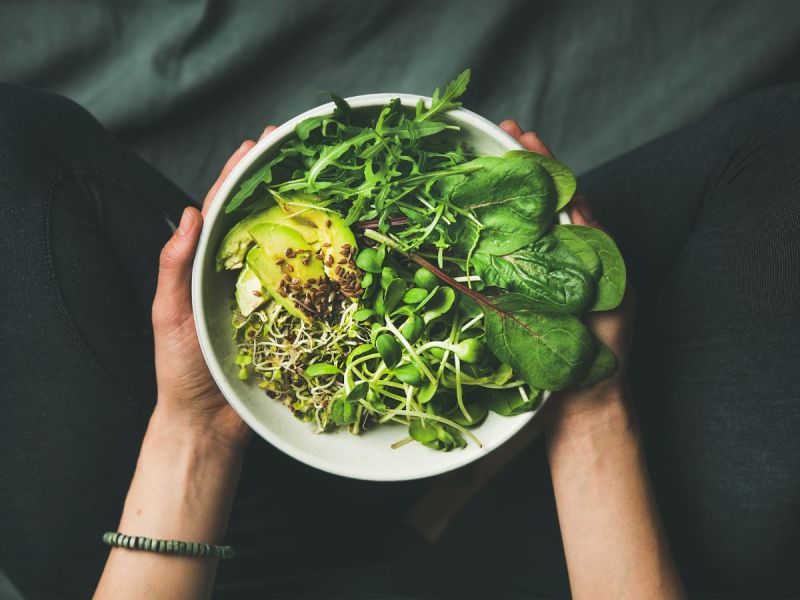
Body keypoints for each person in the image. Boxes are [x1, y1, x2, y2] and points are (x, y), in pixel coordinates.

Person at [0, 81, 797, 599]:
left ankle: (421, 499)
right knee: (781, 152)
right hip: (549, 557)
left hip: (195, 549)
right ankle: (447, 499)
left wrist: (196, 427)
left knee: (14, 146)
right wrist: (588, 414)